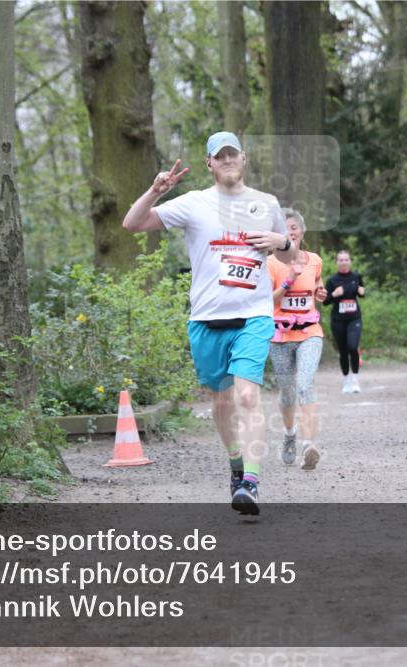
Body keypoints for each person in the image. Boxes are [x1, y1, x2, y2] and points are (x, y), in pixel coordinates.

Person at [121, 131, 296, 516]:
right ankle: (236, 465)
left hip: (253, 315)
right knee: (221, 401)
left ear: (244, 158)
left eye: (233, 154)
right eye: (221, 156)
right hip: (206, 318)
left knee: (247, 396)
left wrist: (281, 242)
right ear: (210, 163)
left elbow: (289, 254)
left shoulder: (266, 203)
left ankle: (251, 482)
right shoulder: (193, 203)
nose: (228, 160)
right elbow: (132, 224)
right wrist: (155, 192)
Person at [267, 209, 327, 471]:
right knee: (287, 393)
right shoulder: (270, 263)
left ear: (302, 232)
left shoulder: (314, 260)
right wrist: (289, 280)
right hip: (279, 336)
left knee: (305, 385)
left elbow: (317, 284)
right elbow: (267, 301)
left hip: (309, 333)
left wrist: (320, 291)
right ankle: (290, 434)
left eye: (293, 227)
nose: (289, 232)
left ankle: (308, 446)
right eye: (284, 228)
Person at [322, 250, 366, 393]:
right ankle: (346, 380)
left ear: (350, 261)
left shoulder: (356, 277)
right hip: (338, 320)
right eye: (341, 260)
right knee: (343, 350)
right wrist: (334, 294)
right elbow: (325, 301)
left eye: (346, 259)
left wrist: (362, 292)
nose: (344, 262)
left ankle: (355, 380)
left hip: (354, 318)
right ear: (337, 262)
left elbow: (362, 292)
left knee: (353, 347)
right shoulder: (332, 280)